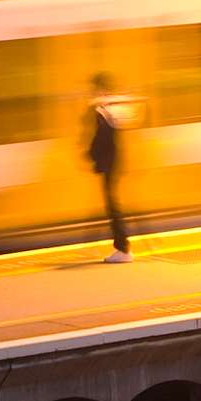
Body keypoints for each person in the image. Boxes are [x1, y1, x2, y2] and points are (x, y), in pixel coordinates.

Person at [83, 72, 139, 263]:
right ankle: (122, 247)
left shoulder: (103, 110)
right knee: (112, 204)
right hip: (115, 162)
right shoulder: (113, 108)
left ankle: (123, 249)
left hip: (109, 163)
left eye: (93, 88)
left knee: (113, 205)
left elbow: (103, 137)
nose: (91, 92)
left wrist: (91, 155)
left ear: (100, 89)